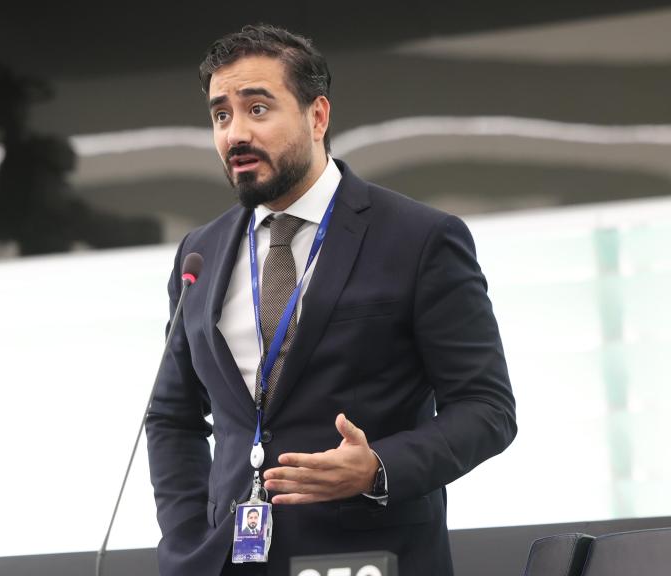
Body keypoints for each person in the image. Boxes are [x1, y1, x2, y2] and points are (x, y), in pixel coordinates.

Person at [145, 24, 517, 576]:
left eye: (258, 109)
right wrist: (186, 542)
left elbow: (487, 409)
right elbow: (172, 417)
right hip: (231, 561)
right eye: (221, 115)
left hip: (368, 557)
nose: (235, 134)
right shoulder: (199, 253)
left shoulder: (420, 238)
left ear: (317, 116)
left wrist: (378, 468)